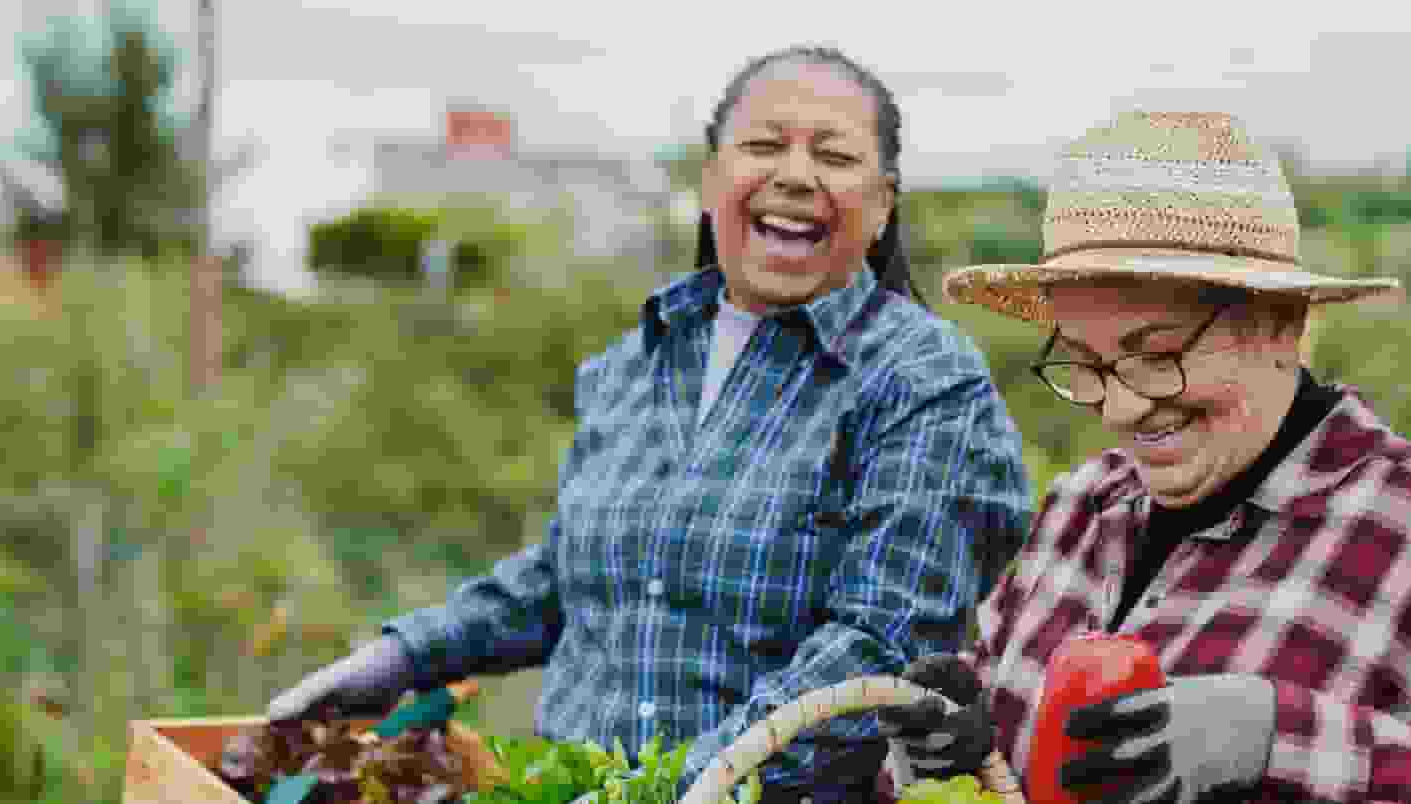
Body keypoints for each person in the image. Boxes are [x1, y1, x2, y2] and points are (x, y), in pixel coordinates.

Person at [266, 46, 1032, 803]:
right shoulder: (637, 359)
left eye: (833, 155)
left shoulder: (924, 380)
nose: (795, 175)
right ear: (710, 180)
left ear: (882, 204)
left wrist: (671, 789)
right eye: (764, 145)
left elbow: (877, 650)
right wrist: (403, 656)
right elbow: (569, 574)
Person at [873, 111, 1411, 803]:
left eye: (1157, 355)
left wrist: (1275, 738)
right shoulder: (1081, 508)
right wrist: (956, 730)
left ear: (1278, 323)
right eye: (1086, 362)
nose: (1122, 407)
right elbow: (1017, 740)